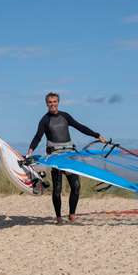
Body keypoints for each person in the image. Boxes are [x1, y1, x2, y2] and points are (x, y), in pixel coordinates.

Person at [27, 92, 106, 224]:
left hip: (69, 155)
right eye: (50, 102)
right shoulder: (45, 120)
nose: (52, 104)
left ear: (58, 102)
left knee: (76, 186)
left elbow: (80, 127)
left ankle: (72, 214)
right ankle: (58, 217)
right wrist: (30, 151)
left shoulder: (65, 116)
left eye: (55, 101)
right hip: (55, 156)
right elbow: (38, 137)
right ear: (47, 104)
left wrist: (96, 135)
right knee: (57, 189)